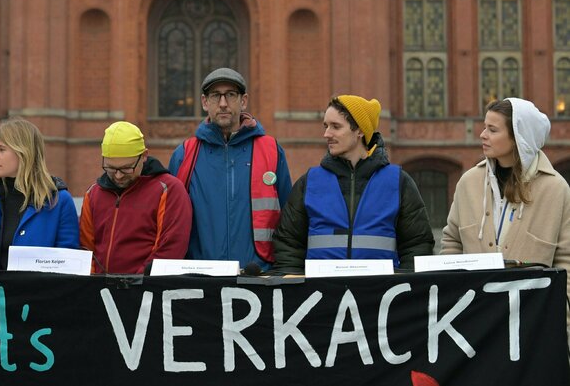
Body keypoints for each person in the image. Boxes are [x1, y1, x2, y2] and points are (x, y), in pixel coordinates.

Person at [441, 98, 570, 343]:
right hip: (473, 324)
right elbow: (451, 242)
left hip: (534, 326)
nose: (482, 135)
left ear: (518, 137)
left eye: (492, 129)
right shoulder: (468, 182)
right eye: (484, 127)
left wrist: (558, 320)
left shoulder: (556, 189)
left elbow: (567, 260)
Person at [271, 95, 434, 274]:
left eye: (336, 126)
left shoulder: (398, 182)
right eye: (326, 126)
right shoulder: (309, 182)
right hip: (320, 296)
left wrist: (404, 291)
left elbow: (417, 247)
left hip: (381, 296)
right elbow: (288, 244)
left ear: (359, 130)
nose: (326, 134)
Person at [169, 67, 292, 270]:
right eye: (216, 96)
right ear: (204, 102)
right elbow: (170, 224)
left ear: (243, 101)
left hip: (258, 276)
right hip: (201, 279)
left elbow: (289, 219)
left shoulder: (271, 150)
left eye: (231, 95)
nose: (223, 104)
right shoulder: (184, 155)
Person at [0, 118, 79, 270]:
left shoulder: (59, 201)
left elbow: (68, 266)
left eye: (1, 149)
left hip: (40, 293)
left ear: (23, 152)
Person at [79, 121, 192, 274]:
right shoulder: (93, 194)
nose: (118, 176)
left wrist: (135, 283)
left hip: (146, 291)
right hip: (100, 291)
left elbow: (170, 248)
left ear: (144, 156)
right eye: (111, 168)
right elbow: (85, 250)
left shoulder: (169, 189)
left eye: (127, 168)